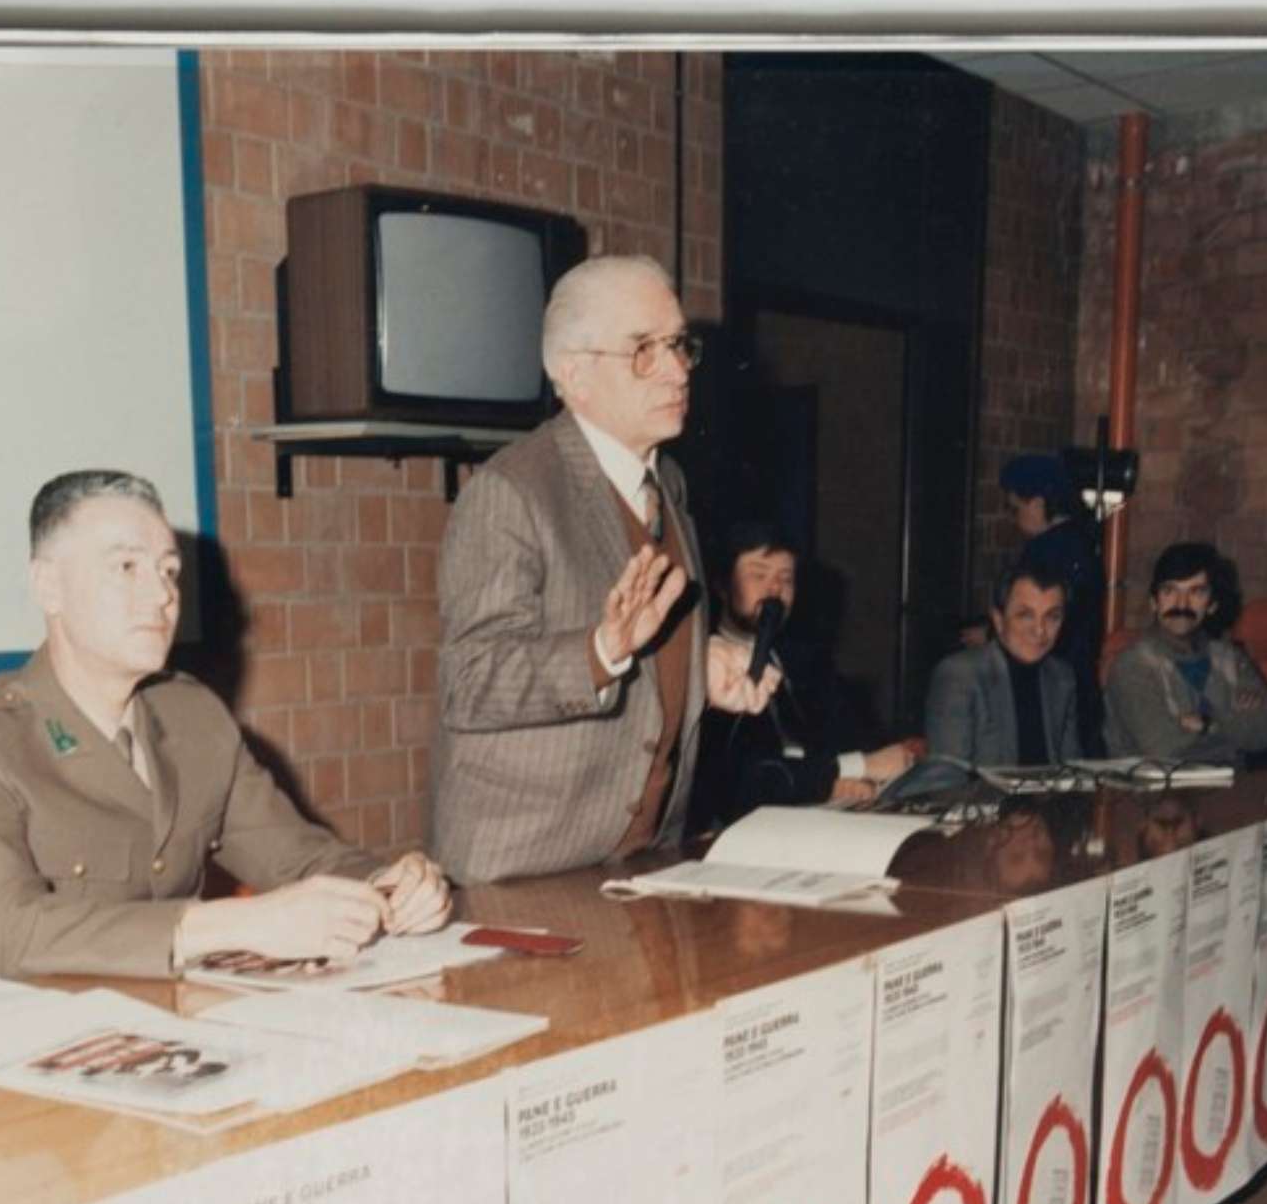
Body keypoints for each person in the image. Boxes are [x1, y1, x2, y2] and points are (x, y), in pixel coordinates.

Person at [0, 471, 451, 990]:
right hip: (5, 1039)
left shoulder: (194, 719)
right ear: (49, 586)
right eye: (126, 567)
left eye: (169, 571)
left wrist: (387, 887)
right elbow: (8, 932)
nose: (161, 596)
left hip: (158, 1024)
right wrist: (238, 924)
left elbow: (299, 858)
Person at [430, 255, 781, 884]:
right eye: (643, 349)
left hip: (639, 858)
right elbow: (471, 680)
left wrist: (702, 668)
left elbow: (646, 656)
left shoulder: (666, 482)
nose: (677, 370)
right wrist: (600, 647)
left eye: (678, 345)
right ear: (574, 374)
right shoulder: (511, 491)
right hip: (524, 869)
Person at [686, 520, 915, 832]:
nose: (775, 589)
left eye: (786, 578)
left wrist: (846, 778)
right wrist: (845, 771)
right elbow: (742, 782)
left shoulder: (805, 663)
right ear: (722, 585)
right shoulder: (703, 669)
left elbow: (849, 738)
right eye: (758, 574)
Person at [1104, 541, 1267, 765]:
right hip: (1150, 794)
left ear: (1211, 605)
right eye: (1170, 591)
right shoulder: (1134, 665)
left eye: (1196, 592)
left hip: (1227, 790)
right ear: (1154, 602)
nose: (1181, 604)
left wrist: (1207, 725)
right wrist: (1239, 732)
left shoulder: (1230, 659)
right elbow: (1165, 750)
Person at [922, 563, 1082, 766]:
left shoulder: (1061, 677)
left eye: (1052, 617)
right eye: (1025, 615)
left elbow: (1072, 769)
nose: (1040, 631)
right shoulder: (960, 675)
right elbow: (946, 778)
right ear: (998, 620)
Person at [1002, 451, 1107, 756]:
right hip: (1081, 680)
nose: (1015, 518)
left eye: (1015, 508)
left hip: (1049, 680)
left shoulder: (1043, 552)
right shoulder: (1083, 543)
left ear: (1036, 503)